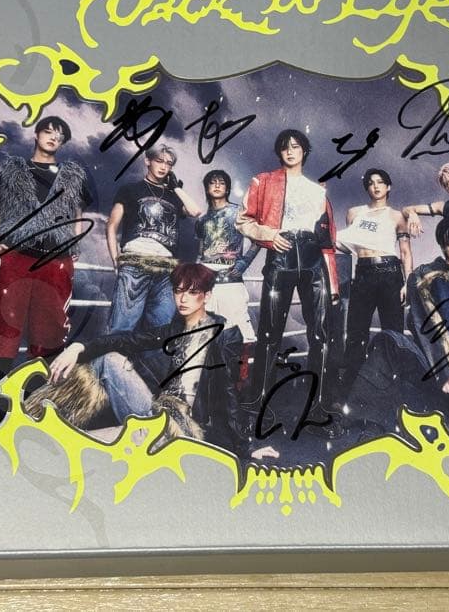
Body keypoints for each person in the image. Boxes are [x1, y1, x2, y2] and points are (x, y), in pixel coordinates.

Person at [28, 263, 276, 459]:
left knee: (82, 443)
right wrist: (79, 347)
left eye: (192, 292)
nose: (183, 299)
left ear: (207, 296)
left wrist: (246, 448)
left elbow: (229, 392)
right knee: (109, 360)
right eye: (178, 291)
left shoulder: (225, 334)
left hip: (184, 429)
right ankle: (36, 416)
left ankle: (49, 435)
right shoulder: (173, 329)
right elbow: (127, 340)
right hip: (157, 411)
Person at [0, 115, 96, 427]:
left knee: (50, 332)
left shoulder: (73, 176)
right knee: (3, 326)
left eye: (59, 135)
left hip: (55, 259)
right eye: (48, 131)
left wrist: (73, 245)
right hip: (16, 258)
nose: (53, 137)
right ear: (37, 134)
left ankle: (36, 404)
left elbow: (78, 214)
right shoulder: (13, 172)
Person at [343, 217, 449, 439]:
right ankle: (369, 426)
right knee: (388, 342)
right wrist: (447, 373)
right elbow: (424, 328)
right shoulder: (429, 280)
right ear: (442, 247)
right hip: (437, 367)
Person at [236, 129, 341, 435]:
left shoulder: (318, 190)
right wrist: (270, 235)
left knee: (321, 334)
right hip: (281, 256)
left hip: (313, 257)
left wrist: (333, 283)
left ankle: (319, 409)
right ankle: (258, 407)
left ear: (304, 151)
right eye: (285, 147)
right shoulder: (263, 181)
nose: (291, 151)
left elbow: (328, 241)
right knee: (269, 333)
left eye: (296, 146)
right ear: (279, 152)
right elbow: (243, 220)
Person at [331, 168, 412, 410]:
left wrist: (407, 283)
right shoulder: (354, 213)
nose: (376, 186)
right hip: (363, 273)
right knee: (356, 335)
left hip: (390, 273)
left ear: (388, 187)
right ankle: (347, 395)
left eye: (380, 182)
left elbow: (405, 252)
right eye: (371, 182)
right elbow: (346, 246)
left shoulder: (397, 216)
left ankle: (395, 396)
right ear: (367, 187)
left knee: (393, 334)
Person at [106, 144, 203, 332]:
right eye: (159, 161)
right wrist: (115, 259)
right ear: (147, 161)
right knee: (122, 327)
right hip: (135, 262)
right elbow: (111, 225)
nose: (164, 167)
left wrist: (176, 188)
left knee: (160, 330)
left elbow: (195, 211)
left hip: (166, 270)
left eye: (169, 164)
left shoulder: (174, 196)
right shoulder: (130, 190)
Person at [194, 170, 260, 384]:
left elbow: (257, 239)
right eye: (212, 182)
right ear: (206, 188)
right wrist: (197, 274)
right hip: (207, 282)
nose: (216, 185)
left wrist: (243, 264)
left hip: (231, 281)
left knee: (239, 333)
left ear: (228, 188)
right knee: (205, 333)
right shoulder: (202, 220)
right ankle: (209, 386)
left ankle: (239, 387)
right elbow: (201, 250)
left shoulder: (238, 213)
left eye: (221, 182)